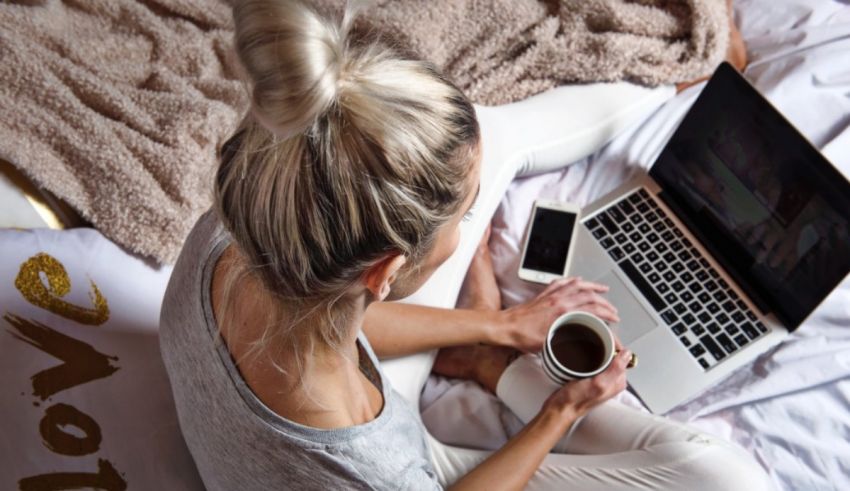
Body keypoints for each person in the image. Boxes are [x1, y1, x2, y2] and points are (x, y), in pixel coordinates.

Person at [159, 0, 770, 489]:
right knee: (726, 479)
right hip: (384, 463)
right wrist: (561, 411)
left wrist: (501, 326)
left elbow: (334, 321)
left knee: (479, 139)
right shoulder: (376, 471)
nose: (471, 227)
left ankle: (677, 81)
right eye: (467, 217)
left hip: (286, 419)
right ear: (385, 271)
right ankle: (494, 371)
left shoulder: (241, 217)